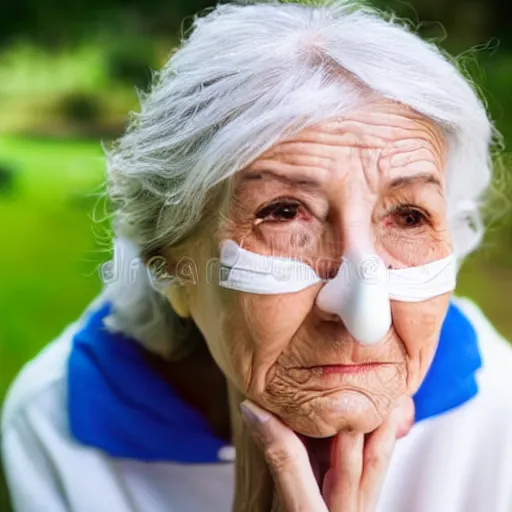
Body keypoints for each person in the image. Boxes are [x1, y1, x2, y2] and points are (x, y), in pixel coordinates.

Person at [2, 1, 512, 511]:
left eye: (408, 218)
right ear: (169, 264)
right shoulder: (55, 424)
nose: (365, 313)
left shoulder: (498, 409)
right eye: (285, 213)